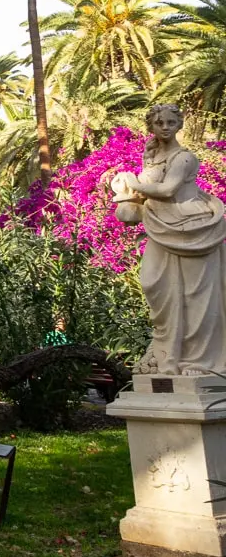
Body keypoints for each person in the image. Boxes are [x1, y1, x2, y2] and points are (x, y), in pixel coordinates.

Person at [110, 104, 226, 375]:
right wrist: (124, 190)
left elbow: (167, 189)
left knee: (197, 296)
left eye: (171, 122)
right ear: (151, 126)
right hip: (160, 227)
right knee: (152, 283)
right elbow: (146, 196)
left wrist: (132, 181)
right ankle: (168, 356)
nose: (165, 127)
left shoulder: (185, 158)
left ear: (179, 124)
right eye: (159, 122)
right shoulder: (151, 158)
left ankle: (200, 362)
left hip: (194, 229)